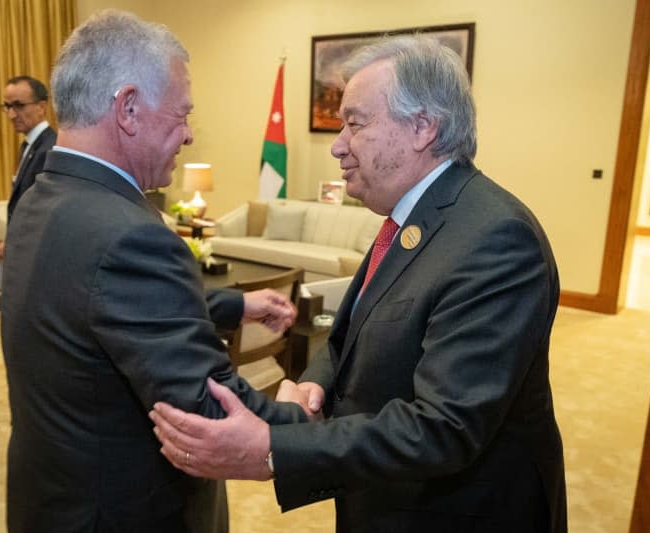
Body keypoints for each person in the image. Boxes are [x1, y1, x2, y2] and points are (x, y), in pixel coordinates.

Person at [151, 35, 568, 532]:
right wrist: (314, 383)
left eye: (355, 122)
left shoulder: (495, 240)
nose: (337, 144)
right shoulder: (413, 215)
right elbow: (356, 329)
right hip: (384, 495)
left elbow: (445, 427)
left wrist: (272, 449)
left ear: (422, 127)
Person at [0, 10, 307, 533]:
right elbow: (212, 415)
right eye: (183, 114)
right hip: (124, 512)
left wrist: (236, 304)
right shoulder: (129, 232)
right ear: (129, 108)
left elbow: (95, 305)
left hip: (51, 496)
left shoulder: (43, 198)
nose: (189, 135)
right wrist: (297, 410)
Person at [0, 75, 56, 261]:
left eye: (19, 106)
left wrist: (15, 245)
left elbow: (43, 212)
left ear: (41, 107)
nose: (11, 114)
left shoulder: (49, 148)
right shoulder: (30, 145)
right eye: (7, 106)